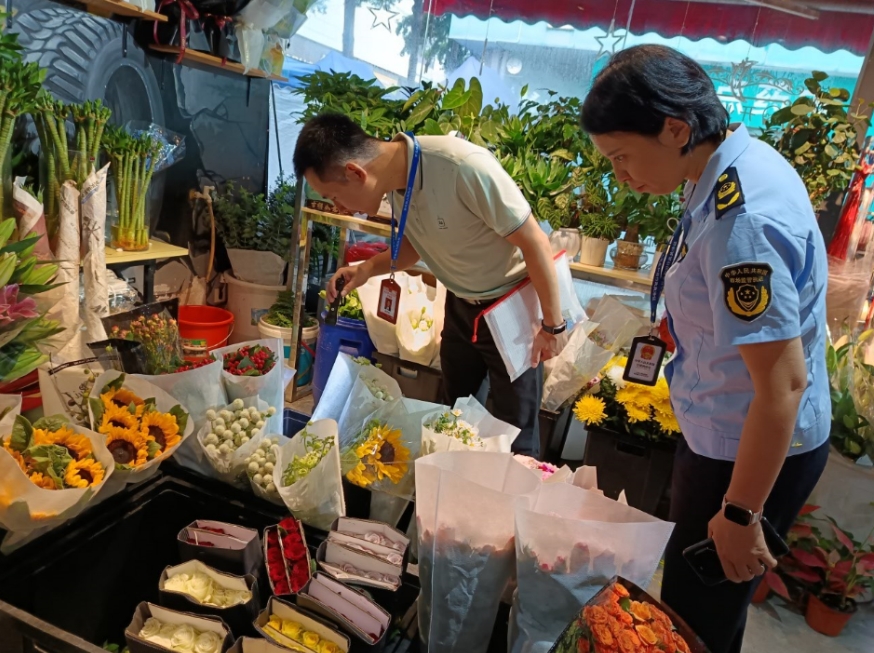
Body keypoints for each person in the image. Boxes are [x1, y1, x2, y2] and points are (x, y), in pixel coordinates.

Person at [580, 45, 830, 653]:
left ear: (675, 128)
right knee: (701, 606)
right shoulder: (723, 172)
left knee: (700, 617)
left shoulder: (741, 216)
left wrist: (742, 513)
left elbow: (783, 383)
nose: (622, 178)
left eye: (622, 157)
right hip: (725, 428)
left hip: (746, 448)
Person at [292, 113, 569, 456]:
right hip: (461, 306)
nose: (337, 206)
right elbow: (414, 245)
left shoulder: (462, 167)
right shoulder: (396, 184)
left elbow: (535, 242)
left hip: (511, 310)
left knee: (516, 435)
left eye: (334, 195)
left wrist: (552, 326)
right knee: (454, 418)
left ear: (355, 172)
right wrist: (365, 270)